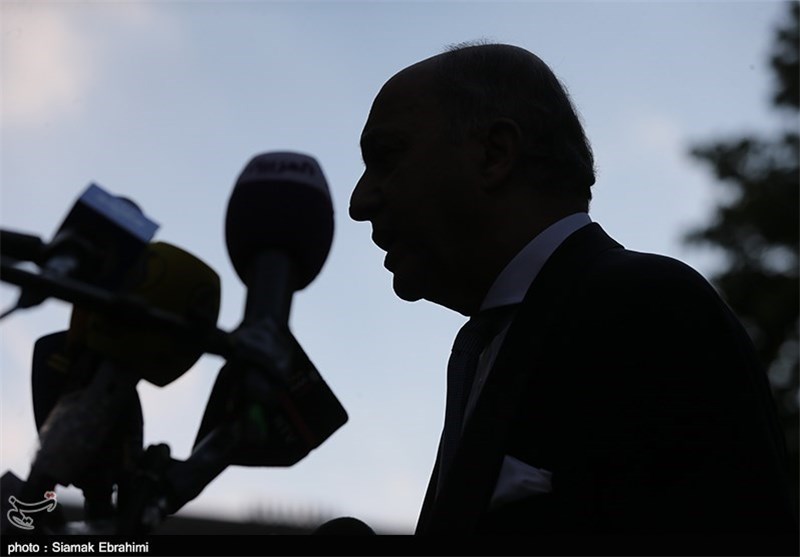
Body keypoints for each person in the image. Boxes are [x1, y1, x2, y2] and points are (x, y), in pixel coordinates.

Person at [348, 43, 798, 551]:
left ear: (494, 154)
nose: (359, 202)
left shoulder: (649, 309)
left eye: (386, 157)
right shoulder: (497, 345)